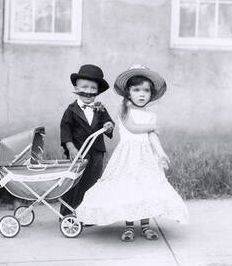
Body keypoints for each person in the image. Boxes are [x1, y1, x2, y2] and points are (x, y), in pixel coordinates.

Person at [76, 64, 189, 241]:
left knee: (144, 189)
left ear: (151, 94)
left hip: (145, 157)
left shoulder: (151, 115)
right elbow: (132, 128)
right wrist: (152, 126)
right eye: (137, 90)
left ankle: (145, 225)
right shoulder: (125, 110)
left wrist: (161, 153)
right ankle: (129, 226)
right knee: (127, 188)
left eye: (146, 90)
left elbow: (152, 137)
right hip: (127, 156)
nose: (142, 94)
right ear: (128, 92)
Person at [59, 64, 114, 217]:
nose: (88, 92)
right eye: (84, 87)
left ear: (98, 91)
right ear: (76, 88)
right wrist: (70, 148)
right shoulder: (71, 110)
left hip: (96, 152)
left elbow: (108, 122)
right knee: (74, 182)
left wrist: (109, 126)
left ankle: (88, 214)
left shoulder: (99, 108)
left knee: (93, 182)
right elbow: (65, 130)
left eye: (93, 88)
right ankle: (67, 213)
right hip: (78, 152)